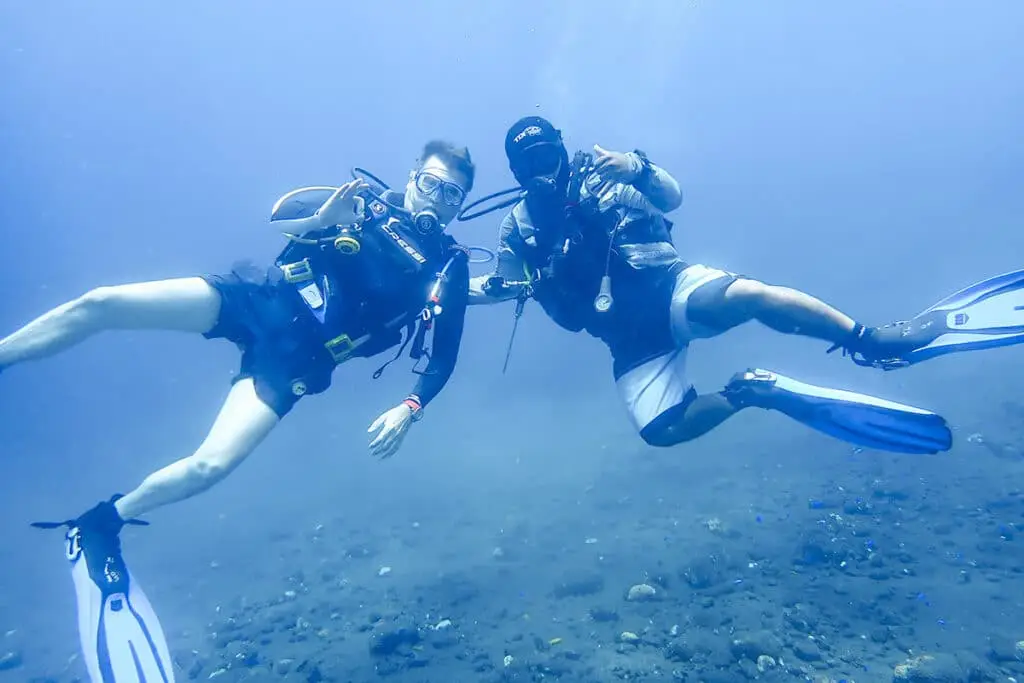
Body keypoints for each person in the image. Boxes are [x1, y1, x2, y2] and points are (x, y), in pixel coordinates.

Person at [4, 140, 476, 679]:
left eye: (452, 194)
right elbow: (282, 217)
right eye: (431, 184)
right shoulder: (361, 203)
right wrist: (323, 220)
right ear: (413, 177)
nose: (437, 199)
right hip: (259, 298)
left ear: (460, 205)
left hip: (297, 360)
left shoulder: (449, 267)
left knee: (209, 466)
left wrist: (410, 407)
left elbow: (444, 356)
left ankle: (101, 524)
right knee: (102, 303)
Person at [468, 116, 1024, 455]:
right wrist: (453, 286)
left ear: (561, 148)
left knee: (753, 296)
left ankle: (870, 339)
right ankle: (752, 392)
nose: (540, 170)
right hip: (628, 339)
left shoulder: (605, 178)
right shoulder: (517, 226)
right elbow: (501, 283)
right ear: (514, 172)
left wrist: (637, 167)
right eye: (526, 164)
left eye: (545, 155)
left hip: (671, 291)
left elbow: (671, 198)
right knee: (660, 430)